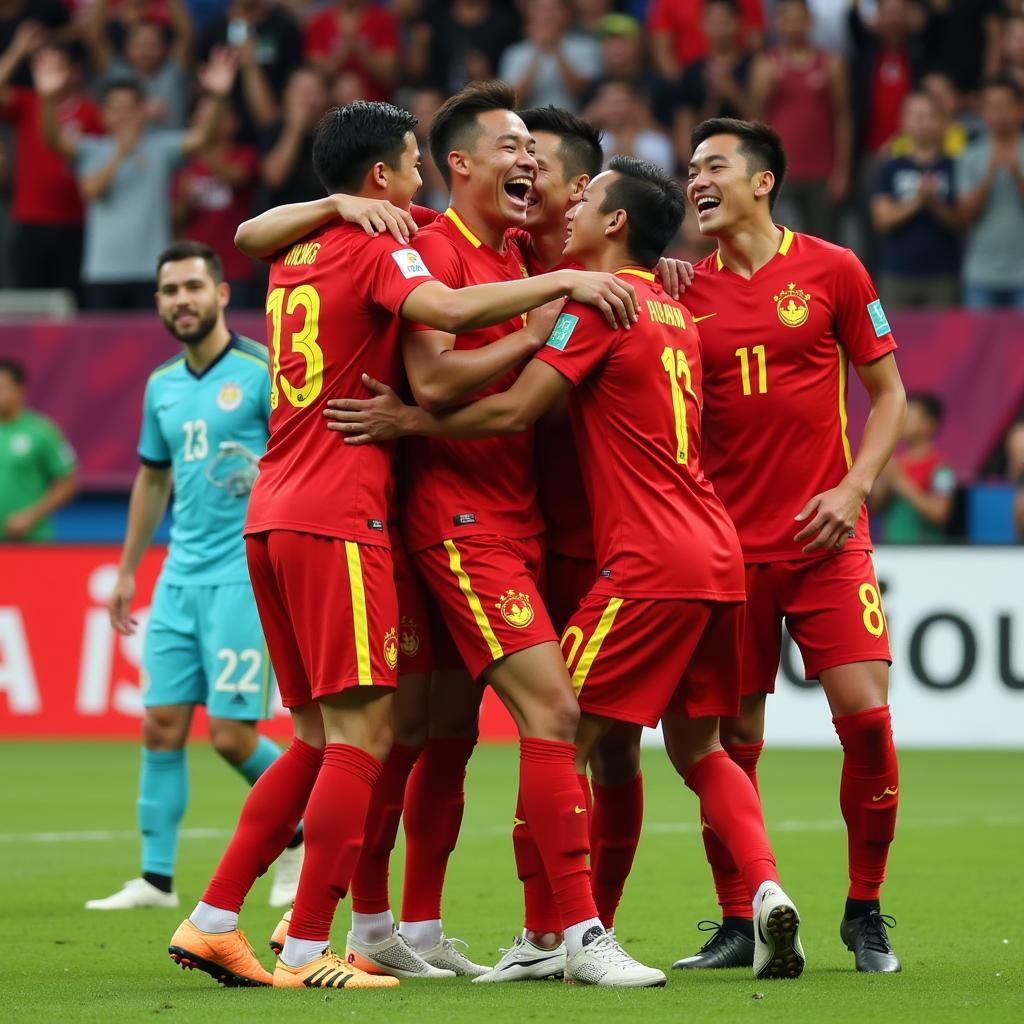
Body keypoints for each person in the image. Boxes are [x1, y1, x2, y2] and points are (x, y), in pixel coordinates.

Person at [166, 96, 649, 990]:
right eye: (413, 165)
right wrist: (560, 292)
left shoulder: (307, 247)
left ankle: (216, 919)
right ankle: (314, 946)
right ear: (387, 174)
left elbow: (247, 230)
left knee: (323, 736)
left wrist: (333, 204)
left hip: (277, 504)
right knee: (366, 736)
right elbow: (441, 319)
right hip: (347, 508)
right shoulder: (394, 243)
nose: (422, 175)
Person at [326, 154, 806, 984]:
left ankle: (558, 933)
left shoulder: (597, 307)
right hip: (718, 555)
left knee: (556, 727)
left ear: (615, 224)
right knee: (700, 748)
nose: (570, 206)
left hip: (648, 560)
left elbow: (515, 408)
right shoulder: (671, 308)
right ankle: (764, 889)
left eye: (587, 200)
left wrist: (408, 420)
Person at [667, 118, 906, 973]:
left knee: (869, 725)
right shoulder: (680, 288)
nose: (696, 178)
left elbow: (889, 394)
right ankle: (740, 919)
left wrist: (853, 490)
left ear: (762, 181)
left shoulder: (835, 269)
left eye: (714, 165)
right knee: (731, 746)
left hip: (825, 539)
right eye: (690, 167)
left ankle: (864, 911)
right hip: (723, 552)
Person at [86, 241, 302, 912]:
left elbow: (301, 459)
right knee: (160, 725)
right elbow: (154, 478)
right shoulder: (161, 386)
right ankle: (155, 879)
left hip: (243, 572)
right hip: (179, 575)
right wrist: (127, 571)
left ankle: (297, 832)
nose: (181, 300)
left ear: (218, 293)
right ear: (158, 303)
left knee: (232, 735)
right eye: (169, 290)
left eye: (192, 287)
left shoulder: (262, 369)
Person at [36, 45, 238, 310]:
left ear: (143, 111)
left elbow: (203, 138)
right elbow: (83, 179)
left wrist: (219, 97)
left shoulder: (160, 147)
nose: (124, 116)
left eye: (131, 108)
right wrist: (49, 99)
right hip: (103, 272)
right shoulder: (91, 149)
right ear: (103, 114)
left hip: (151, 271)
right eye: (116, 109)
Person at [0, 29, 102, 294]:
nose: (48, 72)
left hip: (76, 222)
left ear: (74, 71)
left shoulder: (92, 112)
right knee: (29, 302)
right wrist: (18, 50)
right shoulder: (27, 103)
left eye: (56, 65)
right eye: (41, 65)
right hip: (29, 220)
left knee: (70, 304)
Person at [749, 0, 851, 241]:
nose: (793, 25)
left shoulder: (831, 64)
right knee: (780, 245)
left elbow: (843, 119)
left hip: (822, 172)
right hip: (779, 172)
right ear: (777, 24)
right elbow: (754, 119)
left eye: (799, 19)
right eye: (787, 19)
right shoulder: (766, 65)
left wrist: (842, 171)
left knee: (824, 245)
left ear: (810, 22)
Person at [871, 90, 960, 309]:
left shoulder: (954, 166)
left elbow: (961, 222)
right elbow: (882, 220)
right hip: (897, 273)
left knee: (946, 341)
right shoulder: (890, 167)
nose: (921, 121)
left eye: (928, 115)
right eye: (914, 114)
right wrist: (918, 201)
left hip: (943, 275)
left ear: (942, 122)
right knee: (894, 341)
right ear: (902, 121)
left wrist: (934, 203)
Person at [957, 77, 1024, 310]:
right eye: (992, 107)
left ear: (1020, 109)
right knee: (980, 346)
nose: (999, 114)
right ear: (982, 112)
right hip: (981, 274)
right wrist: (989, 176)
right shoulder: (970, 156)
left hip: (1022, 275)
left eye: (1006, 106)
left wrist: (1016, 173)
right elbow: (966, 214)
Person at [83, 0, 192, 130]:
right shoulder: (114, 72)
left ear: (164, 49)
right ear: (127, 48)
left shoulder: (173, 72)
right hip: (122, 149)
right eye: (140, 45)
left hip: (172, 148)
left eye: (153, 45)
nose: (146, 51)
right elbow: (93, 37)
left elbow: (186, 36)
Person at [0, 358, 77, 541]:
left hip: (30, 541)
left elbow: (67, 484)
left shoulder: (42, 431)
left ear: (20, 390)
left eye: (2, 388)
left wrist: (30, 516)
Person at [672, 0, 755, 167]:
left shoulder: (756, 66)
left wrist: (732, 93)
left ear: (738, 23)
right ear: (702, 24)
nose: (719, 29)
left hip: (747, 157)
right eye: (713, 22)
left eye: (725, 22)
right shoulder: (691, 72)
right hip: (706, 160)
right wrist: (714, 99)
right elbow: (684, 130)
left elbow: (761, 121)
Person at [871, 393, 955, 543]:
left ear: (928, 424)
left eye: (909, 416)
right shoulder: (894, 463)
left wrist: (899, 482)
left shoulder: (942, 469)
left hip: (923, 554)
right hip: (892, 548)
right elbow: (875, 507)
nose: (902, 421)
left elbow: (940, 513)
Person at [498, 0, 602, 113]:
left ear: (566, 13)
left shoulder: (586, 46)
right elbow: (512, 99)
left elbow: (585, 92)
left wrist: (557, 50)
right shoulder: (515, 53)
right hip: (530, 123)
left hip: (574, 122)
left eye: (553, 9)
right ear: (529, 13)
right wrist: (537, 52)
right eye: (541, 9)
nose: (547, 15)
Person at [302, 0, 399, 103]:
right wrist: (343, 52)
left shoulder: (383, 19)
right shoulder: (319, 22)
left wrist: (359, 48)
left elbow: (389, 76)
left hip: (375, 104)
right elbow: (317, 74)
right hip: (329, 107)